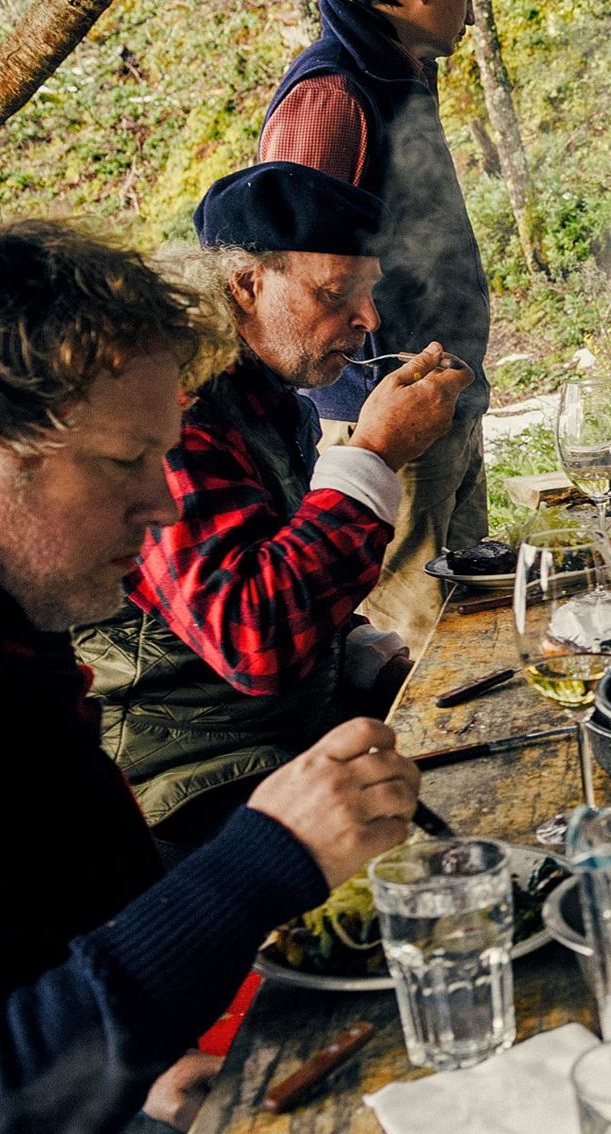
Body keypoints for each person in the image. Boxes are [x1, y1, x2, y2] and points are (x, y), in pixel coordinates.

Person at [0, 217, 423, 1134]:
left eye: (165, 455)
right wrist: (262, 862)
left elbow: (53, 939)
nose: (163, 505)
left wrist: (136, 1073)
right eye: (125, 461)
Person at [74, 162, 468, 851]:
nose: (369, 320)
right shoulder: (178, 414)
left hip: (288, 734)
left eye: (369, 292)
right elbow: (253, 639)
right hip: (191, 782)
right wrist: (373, 454)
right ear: (246, 284)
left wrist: (369, 657)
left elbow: (275, 557)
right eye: (336, 292)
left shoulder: (266, 395)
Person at [259, 0, 493, 652]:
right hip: (382, 415)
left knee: (469, 629)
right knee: (410, 643)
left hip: (437, 398)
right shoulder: (333, 97)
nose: (471, 9)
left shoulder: (397, 72)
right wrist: (373, 431)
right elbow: (287, 276)